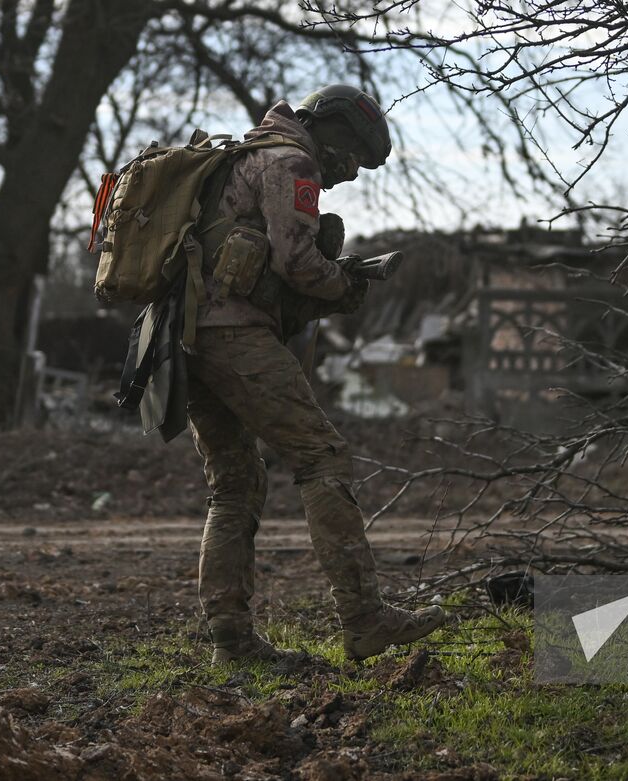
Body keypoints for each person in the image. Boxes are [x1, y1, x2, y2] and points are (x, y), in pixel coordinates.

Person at [186, 84, 445, 663]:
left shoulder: (241, 158)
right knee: (322, 457)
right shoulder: (291, 161)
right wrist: (344, 283)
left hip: (186, 339)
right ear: (331, 131)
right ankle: (364, 618)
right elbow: (297, 261)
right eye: (349, 157)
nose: (346, 173)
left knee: (235, 483)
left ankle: (232, 642)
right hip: (236, 337)